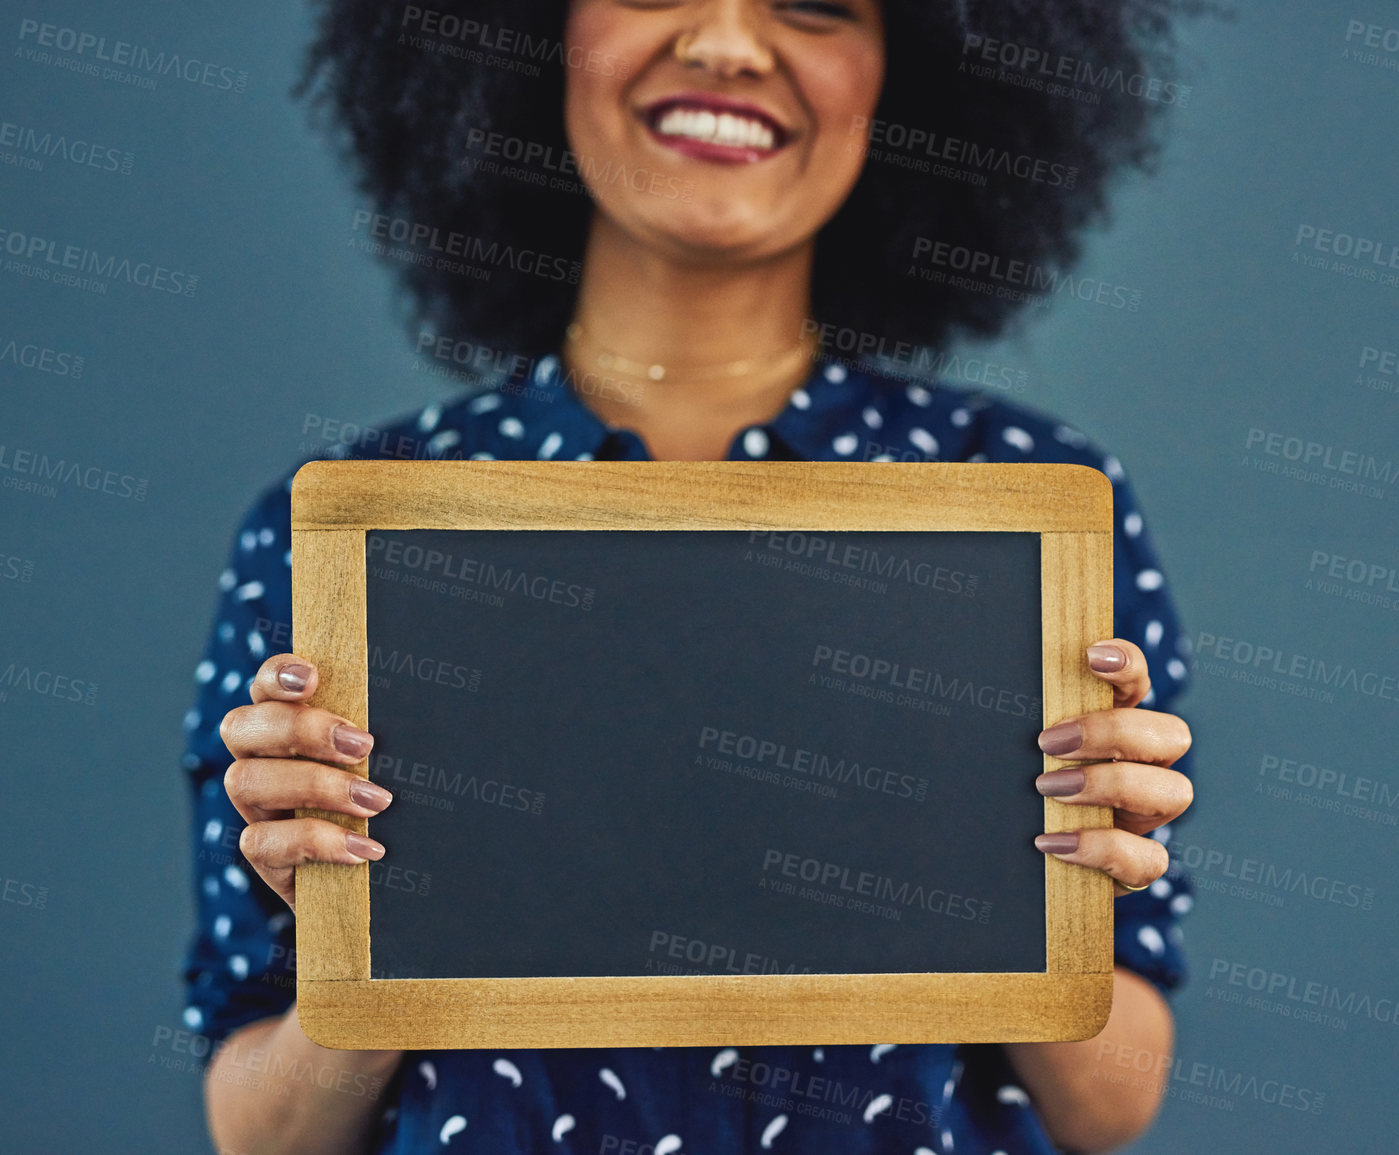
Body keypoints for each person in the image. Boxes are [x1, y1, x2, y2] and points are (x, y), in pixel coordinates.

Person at [182, 1, 1201, 1151]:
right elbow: (258, 1132)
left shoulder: (1027, 502)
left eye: (813, 3)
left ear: (905, 69)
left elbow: (1112, 1102)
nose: (725, 42)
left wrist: (1059, 883)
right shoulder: (347, 527)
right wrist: (368, 943)